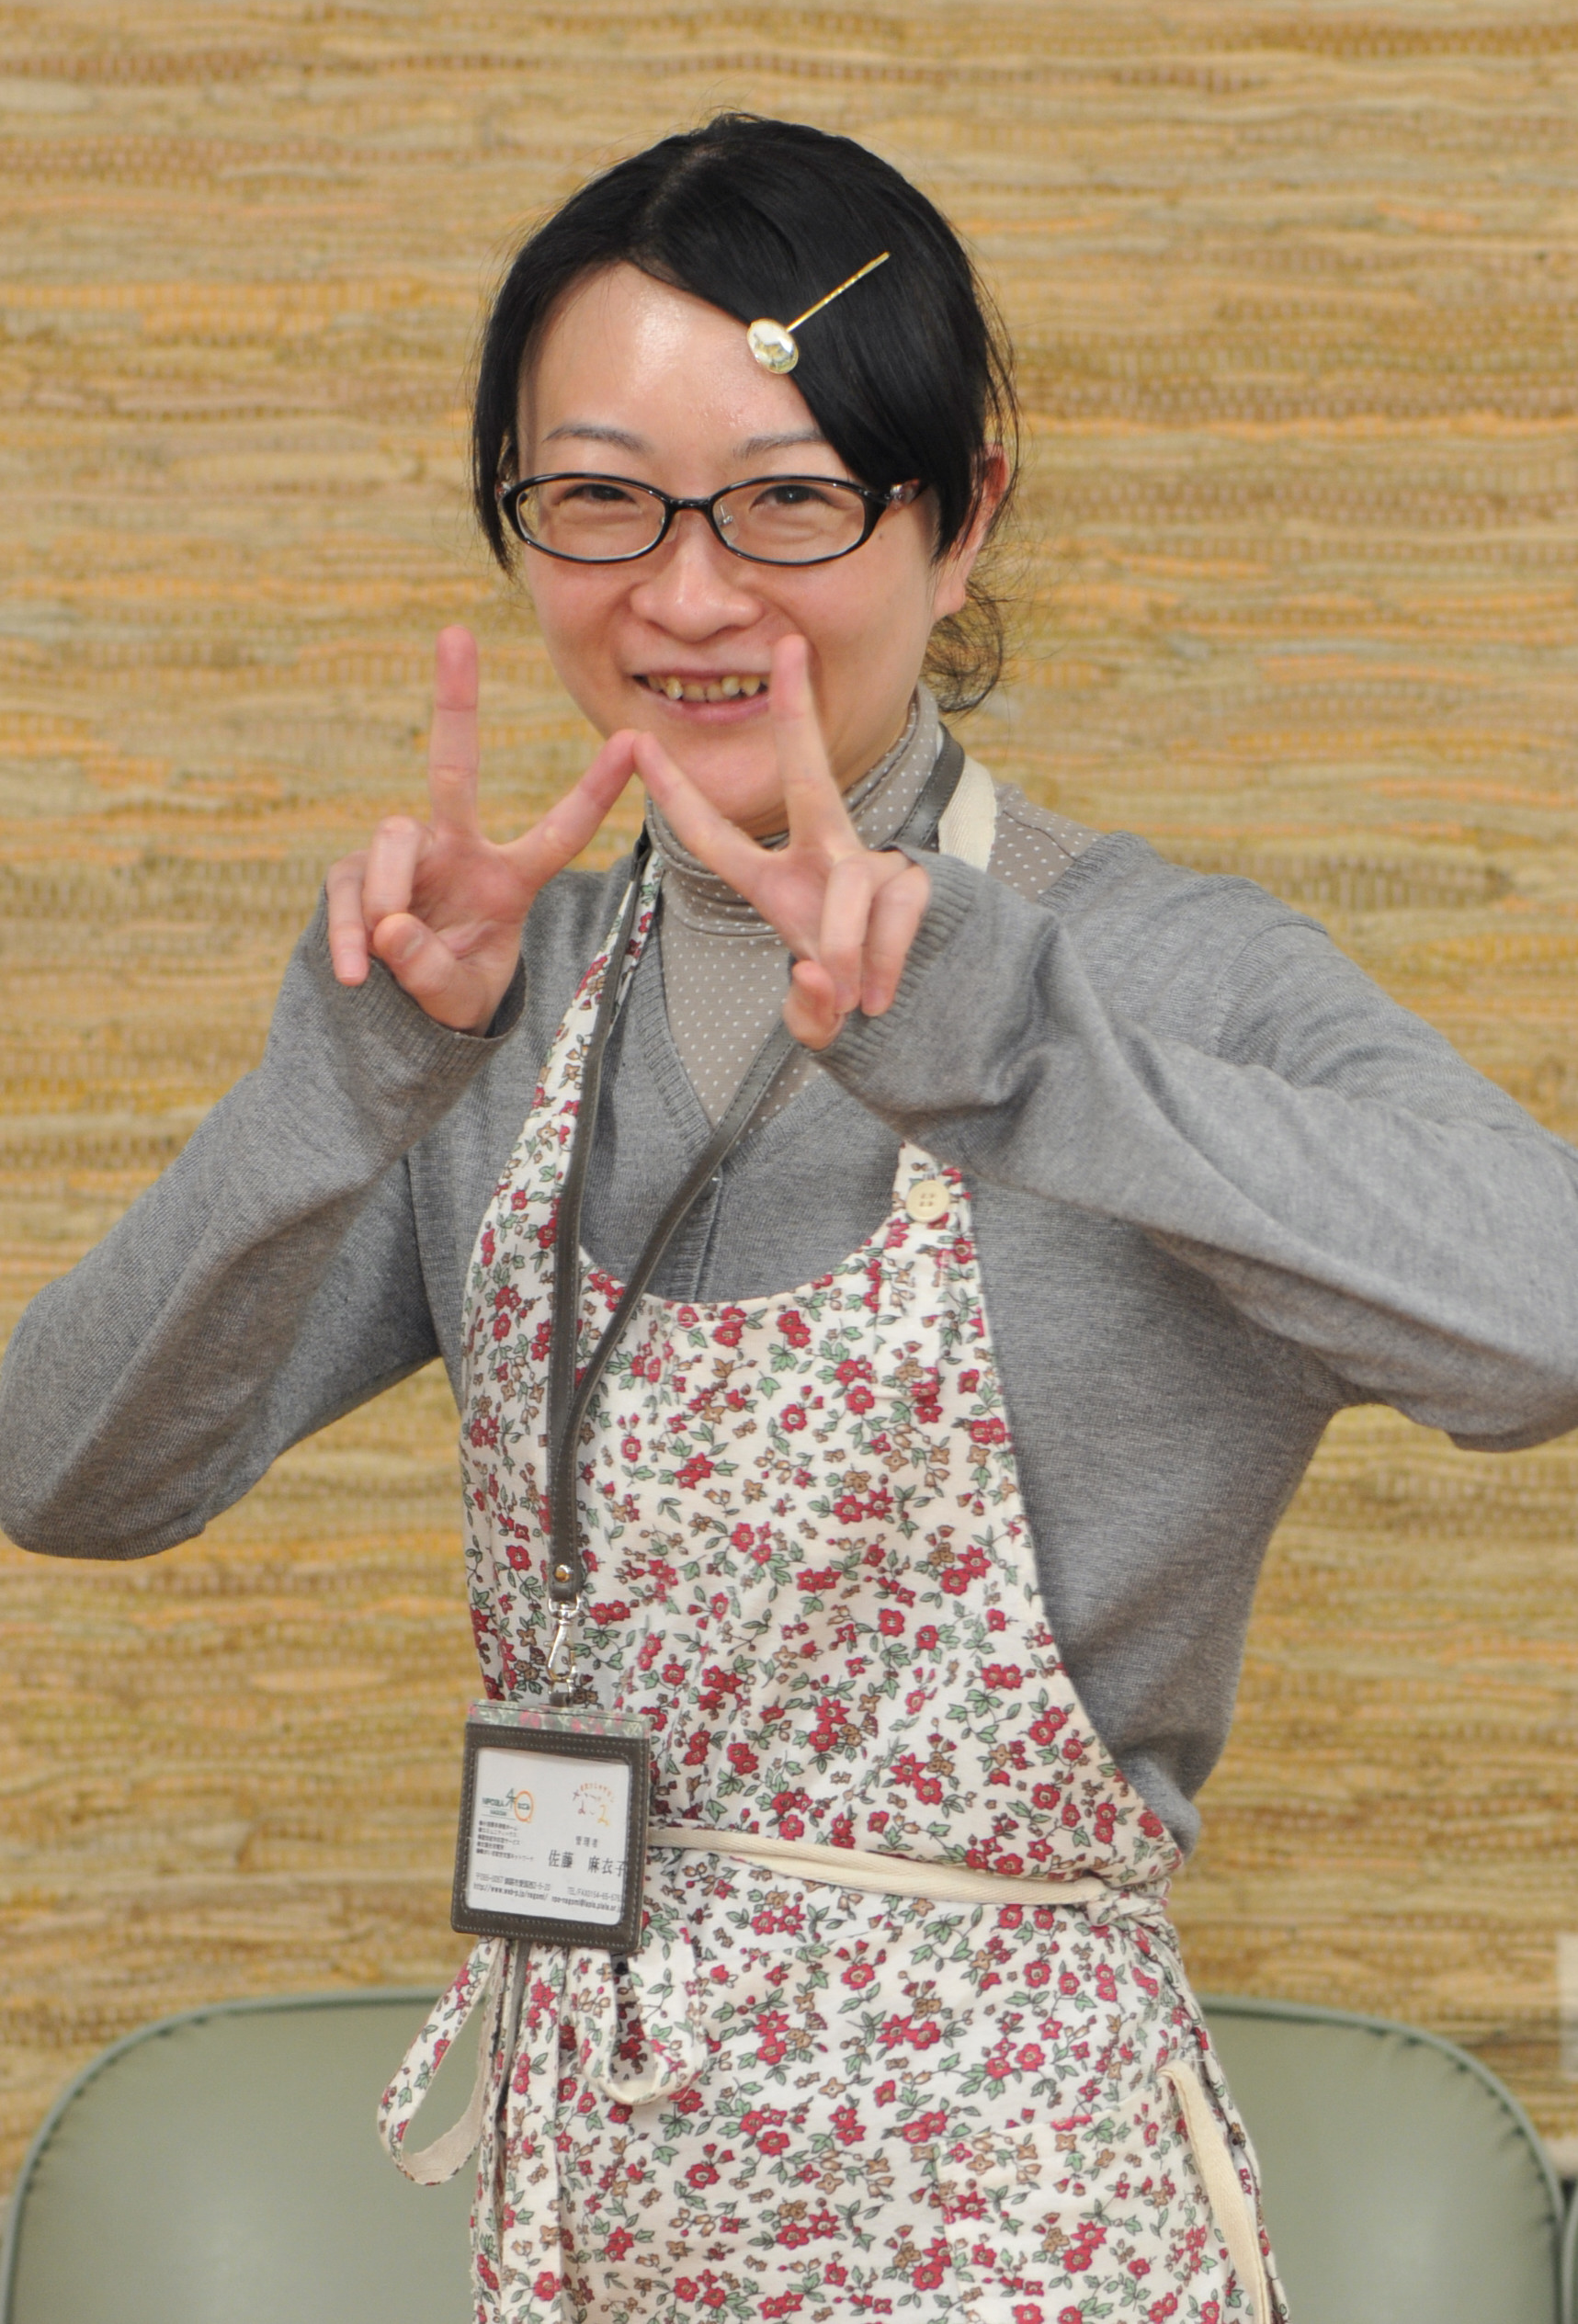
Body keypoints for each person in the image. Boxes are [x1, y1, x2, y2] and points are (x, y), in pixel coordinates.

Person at [4, 113, 1577, 2324]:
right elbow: (66, 1474)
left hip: (1015, 2244)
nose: (685, 593)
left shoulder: (1147, 979)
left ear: (962, 513)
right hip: (591, 2226)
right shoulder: (493, 1006)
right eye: (598, 499)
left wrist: (1022, 1058)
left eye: (788, 498)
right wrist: (336, 1090)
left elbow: (1543, 1314)